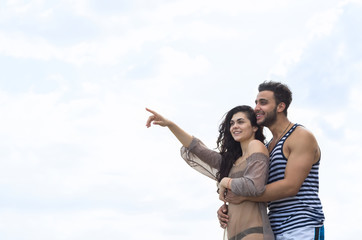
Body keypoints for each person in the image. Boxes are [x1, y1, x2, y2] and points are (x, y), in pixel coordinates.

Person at [146, 105, 274, 240]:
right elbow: (198, 149)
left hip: (253, 232)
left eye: (240, 121)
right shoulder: (231, 161)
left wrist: (226, 182)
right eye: (232, 123)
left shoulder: (256, 145)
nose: (234, 126)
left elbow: (255, 186)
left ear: (255, 127)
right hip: (234, 233)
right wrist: (170, 125)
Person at [217, 81, 325, 240]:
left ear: (280, 107)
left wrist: (243, 196)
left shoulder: (300, 136)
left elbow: (290, 187)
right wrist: (231, 207)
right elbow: (258, 188)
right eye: (256, 102)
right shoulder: (266, 147)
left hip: (301, 227)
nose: (256, 108)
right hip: (273, 228)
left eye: (263, 102)